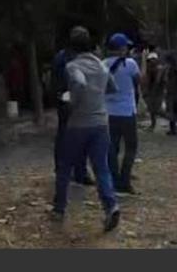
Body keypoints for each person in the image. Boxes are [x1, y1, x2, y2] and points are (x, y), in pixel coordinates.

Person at [52, 26, 121, 232]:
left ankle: (59, 208)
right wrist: (96, 94)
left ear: (72, 48)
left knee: (64, 167)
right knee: (101, 168)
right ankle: (111, 206)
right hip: (101, 123)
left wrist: (74, 102)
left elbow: (79, 84)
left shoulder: (72, 66)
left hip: (79, 124)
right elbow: (113, 88)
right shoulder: (101, 66)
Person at [103, 32, 141, 195]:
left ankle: (114, 179)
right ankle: (124, 180)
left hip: (109, 113)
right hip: (127, 112)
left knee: (112, 147)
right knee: (131, 147)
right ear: (121, 48)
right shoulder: (130, 64)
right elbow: (140, 81)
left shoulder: (102, 64)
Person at [52, 43, 93, 185]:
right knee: (73, 135)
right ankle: (78, 172)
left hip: (66, 98)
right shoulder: (71, 58)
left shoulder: (62, 56)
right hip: (71, 99)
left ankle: (67, 170)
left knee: (66, 136)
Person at [142, 51, 167, 131]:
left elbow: (159, 81)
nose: (151, 61)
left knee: (157, 110)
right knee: (152, 110)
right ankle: (153, 125)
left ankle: (174, 120)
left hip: (158, 91)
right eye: (150, 60)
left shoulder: (159, 69)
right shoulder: (150, 69)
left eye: (153, 59)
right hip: (152, 91)